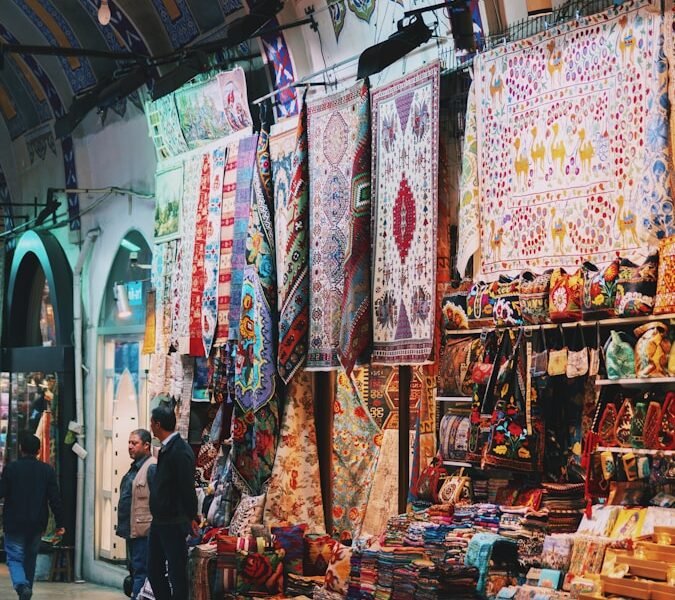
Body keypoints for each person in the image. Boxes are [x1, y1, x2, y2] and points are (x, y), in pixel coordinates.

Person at [0, 431, 64, 600]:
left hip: (14, 523)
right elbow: (54, 499)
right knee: (30, 558)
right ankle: (27, 588)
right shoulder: (47, 471)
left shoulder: (11, 469)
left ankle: (22, 586)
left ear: (21, 448)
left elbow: (1, 492)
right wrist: (60, 523)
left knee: (14, 558)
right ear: (38, 450)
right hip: (37, 523)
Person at [147, 404, 197, 600]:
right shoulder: (168, 449)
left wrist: (191, 516)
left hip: (173, 522)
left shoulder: (179, 451)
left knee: (176, 573)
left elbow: (187, 487)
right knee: (154, 570)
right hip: (160, 522)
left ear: (157, 424)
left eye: (152, 423)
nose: (151, 427)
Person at [117, 429, 157, 599]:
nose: (130, 447)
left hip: (144, 531)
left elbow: (158, 498)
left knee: (141, 570)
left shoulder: (151, 467)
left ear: (146, 445)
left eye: (135, 443)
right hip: (132, 530)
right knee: (135, 570)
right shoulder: (135, 467)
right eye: (129, 443)